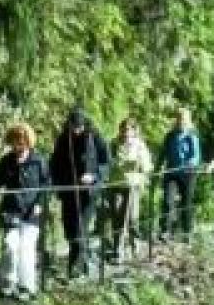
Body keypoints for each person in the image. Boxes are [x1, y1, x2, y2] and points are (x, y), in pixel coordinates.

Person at [0, 123, 49, 301]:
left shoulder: (39, 161)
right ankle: (8, 282)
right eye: (14, 142)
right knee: (10, 245)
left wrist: (39, 203)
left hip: (32, 212)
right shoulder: (6, 160)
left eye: (21, 141)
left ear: (28, 141)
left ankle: (27, 286)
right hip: (11, 210)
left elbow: (46, 185)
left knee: (27, 248)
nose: (17, 145)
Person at [50, 106, 110, 277]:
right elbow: (54, 163)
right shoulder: (63, 139)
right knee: (69, 228)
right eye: (73, 127)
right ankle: (82, 260)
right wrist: (55, 183)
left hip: (88, 192)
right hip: (68, 191)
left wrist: (94, 176)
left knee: (79, 229)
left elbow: (106, 162)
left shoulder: (95, 138)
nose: (76, 131)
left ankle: (75, 269)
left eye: (79, 127)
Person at [107, 118, 153, 262]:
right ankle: (117, 250)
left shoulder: (139, 145)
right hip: (116, 184)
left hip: (132, 185)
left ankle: (135, 243)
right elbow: (107, 162)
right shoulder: (113, 144)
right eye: (124, 129)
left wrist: (139, 166)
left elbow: (147, 166)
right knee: (117, 217)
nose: (126, 133)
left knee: (132, 217)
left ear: (134, 131)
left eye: (129, 130)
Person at [157, 106, 201, 240]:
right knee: (167, 200)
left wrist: (190, 163)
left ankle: (187, 232)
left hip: (188, 173)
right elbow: (163, 154)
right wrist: (157, 168)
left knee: (186, 202)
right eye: (179, 118)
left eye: (184, 118)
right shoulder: (170, 135)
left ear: (188, 120)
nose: (181, 121)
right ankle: (165, 230)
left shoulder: (192, 135)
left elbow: (196, 155)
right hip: (172, 172)